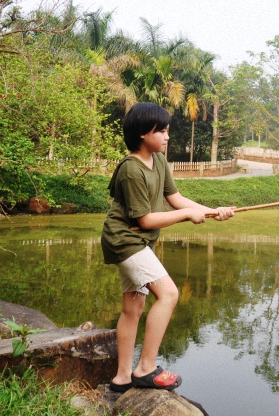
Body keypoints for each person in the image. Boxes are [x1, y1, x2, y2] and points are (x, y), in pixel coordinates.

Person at [101, 102, 235, 393]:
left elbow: (176, 198)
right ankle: (146, 368)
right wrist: (188, 215)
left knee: (133, 305)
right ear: (141, 135)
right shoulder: (131, 169)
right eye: (160, 131)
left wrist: (214, 211)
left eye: (167, 131)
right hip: (125, 240)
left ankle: (122, 377)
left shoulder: (159, 160)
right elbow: (145, 219)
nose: (166, 136)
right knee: (169, 293)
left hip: (136, 240)